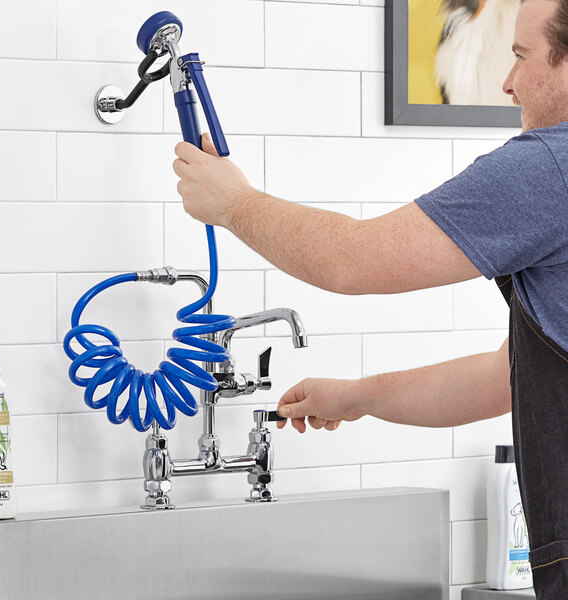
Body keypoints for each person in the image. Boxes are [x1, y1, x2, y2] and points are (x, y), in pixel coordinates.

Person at [173, 1, 568, 597]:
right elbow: (507, 378)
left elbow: (351, 260)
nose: (508, 83)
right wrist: (358, 396)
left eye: (520, 56)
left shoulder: (548, 168)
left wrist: (231, 204)